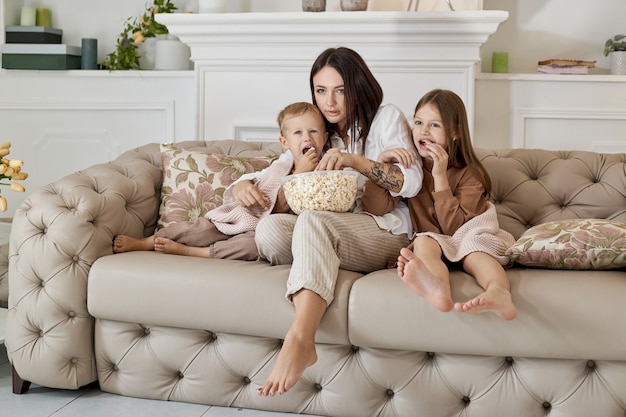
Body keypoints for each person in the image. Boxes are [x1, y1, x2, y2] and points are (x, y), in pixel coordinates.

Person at [241, 47, 423, 397]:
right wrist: (242, 186)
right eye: (321, 91)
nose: (330, 101)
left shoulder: (386, 118)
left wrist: (355, 161)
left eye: (339, 90)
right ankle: (320, 261)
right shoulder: (318, 127)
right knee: (269, 229)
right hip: (332, 231)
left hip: (382, 230)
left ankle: (300, 337)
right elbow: (280, 166)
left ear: (357, 86)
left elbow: (410, 183)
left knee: (313, 222)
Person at [361, 89, 518, 321]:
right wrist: (380, 167)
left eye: (434, 125)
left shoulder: (470, 173)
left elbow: (454, 228)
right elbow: (375, 208)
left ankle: (499, 292)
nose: (423, 131)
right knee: (424, 241)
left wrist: (440, 177)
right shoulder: (411, 168)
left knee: (473, 251)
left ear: (454, 132)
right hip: (435, 238)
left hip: (468, 232)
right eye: (418, 122)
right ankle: (439, 289)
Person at [112, 101, 329, 259]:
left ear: (325, 138)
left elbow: (289, 206)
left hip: (263, 231)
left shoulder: (326, 172)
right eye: (298, 133)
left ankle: (194, 252)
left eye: (313, 132)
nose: (307, 138)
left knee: (252, 248)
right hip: (241, 217)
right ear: (285, 141)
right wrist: (245, 185)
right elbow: (256, 180)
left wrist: (300, 173)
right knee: (198, 229)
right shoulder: (281, 163)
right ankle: (147, 242)